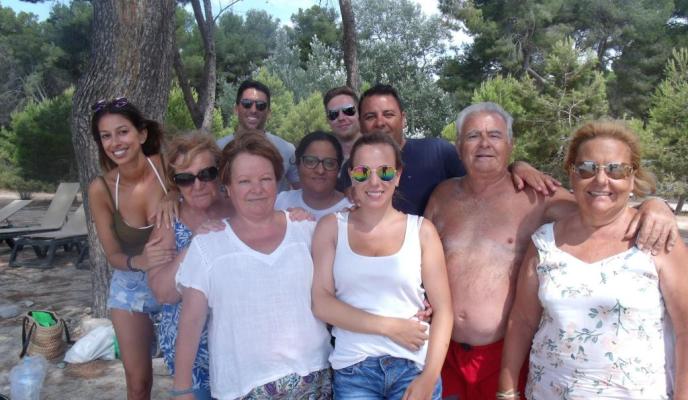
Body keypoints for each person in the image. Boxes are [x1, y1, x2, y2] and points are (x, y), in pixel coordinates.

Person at [424, 104, 680, 399]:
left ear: (510, 144)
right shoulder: (442, 196)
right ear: (458, 146)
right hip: (443, 353)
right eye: (472, 136)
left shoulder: (539, 197)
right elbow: (417, 259)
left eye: (494, 135)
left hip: (503, 356)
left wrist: (654, 206)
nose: (484, 143)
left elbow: (602, 205)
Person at [498, 120, 688, 399]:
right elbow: (523, 321)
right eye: (587, 168)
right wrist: (507, 391)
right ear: (571, 174)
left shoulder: (657, 238)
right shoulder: (544, 242)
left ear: (632, 177)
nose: (601, 179)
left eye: (616, 169)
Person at [172, 133, 332, 399]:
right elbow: (191, 322)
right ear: (228, 186)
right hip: (243, 388)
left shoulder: (306, 229)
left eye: (265, 179)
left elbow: (338, 289)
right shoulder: (207, 245)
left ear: (278, 181)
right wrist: (181, 388)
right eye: (244, 181)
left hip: (314, 379)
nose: (256, 189)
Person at [312, 132, 453, 399]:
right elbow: (322, 303)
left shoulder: (422, 231)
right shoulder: (330, 228)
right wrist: (390, 327)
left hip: (413, 367)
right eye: (363, 172)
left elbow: (444, 310)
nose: (374, 181)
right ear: (352, 176)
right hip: (354, 370)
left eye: (385, 172)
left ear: (398, 176)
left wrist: (430, 376)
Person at [338, 84, 558, 216]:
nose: (380, 122)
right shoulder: (353, 169)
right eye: (370, 116)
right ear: (361, 123)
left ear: (403, 119)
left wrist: (518, 166)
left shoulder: (437, 152)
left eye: (388, 114)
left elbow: (486, 171)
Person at [87, 97, 175, 400]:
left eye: (122, 131)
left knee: (191, 374)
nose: (115, 143)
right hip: (131, 288)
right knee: (138, 384)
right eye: (106, 136)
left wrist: (174, 194)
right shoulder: (101, 189)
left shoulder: (169, 167)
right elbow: (112, 254)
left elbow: (202, 190)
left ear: (142, 134)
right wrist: (141, 261)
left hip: (177, 280)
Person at [146, 133, 233, 400]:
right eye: (185, 179)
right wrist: (195, 245)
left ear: (220, 172)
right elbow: (163, 293)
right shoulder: (169, 220)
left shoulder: (238, 208)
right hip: (191, 353)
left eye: (206, 174)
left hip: (237, 345)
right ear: (175, 183)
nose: (197, 185)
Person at [217, 79, 299, 192]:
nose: (253, 110)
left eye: (261, 105)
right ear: (236, 109)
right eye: (247, 104)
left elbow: (302, 192)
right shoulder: (218, 149)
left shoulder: (287, 150)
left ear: (269, 113)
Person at [275, 130, 353, 220]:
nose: (320, 171)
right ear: (297, 164)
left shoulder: (352, 209)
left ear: (338, 168)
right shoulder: (280, 203)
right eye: (311, 161)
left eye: (329, 163)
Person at [323, 86, 361, 161]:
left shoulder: (380, 151)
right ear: (327, 120)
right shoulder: (321, 158)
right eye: (333, 114)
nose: (341, 118)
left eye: (348, 111)